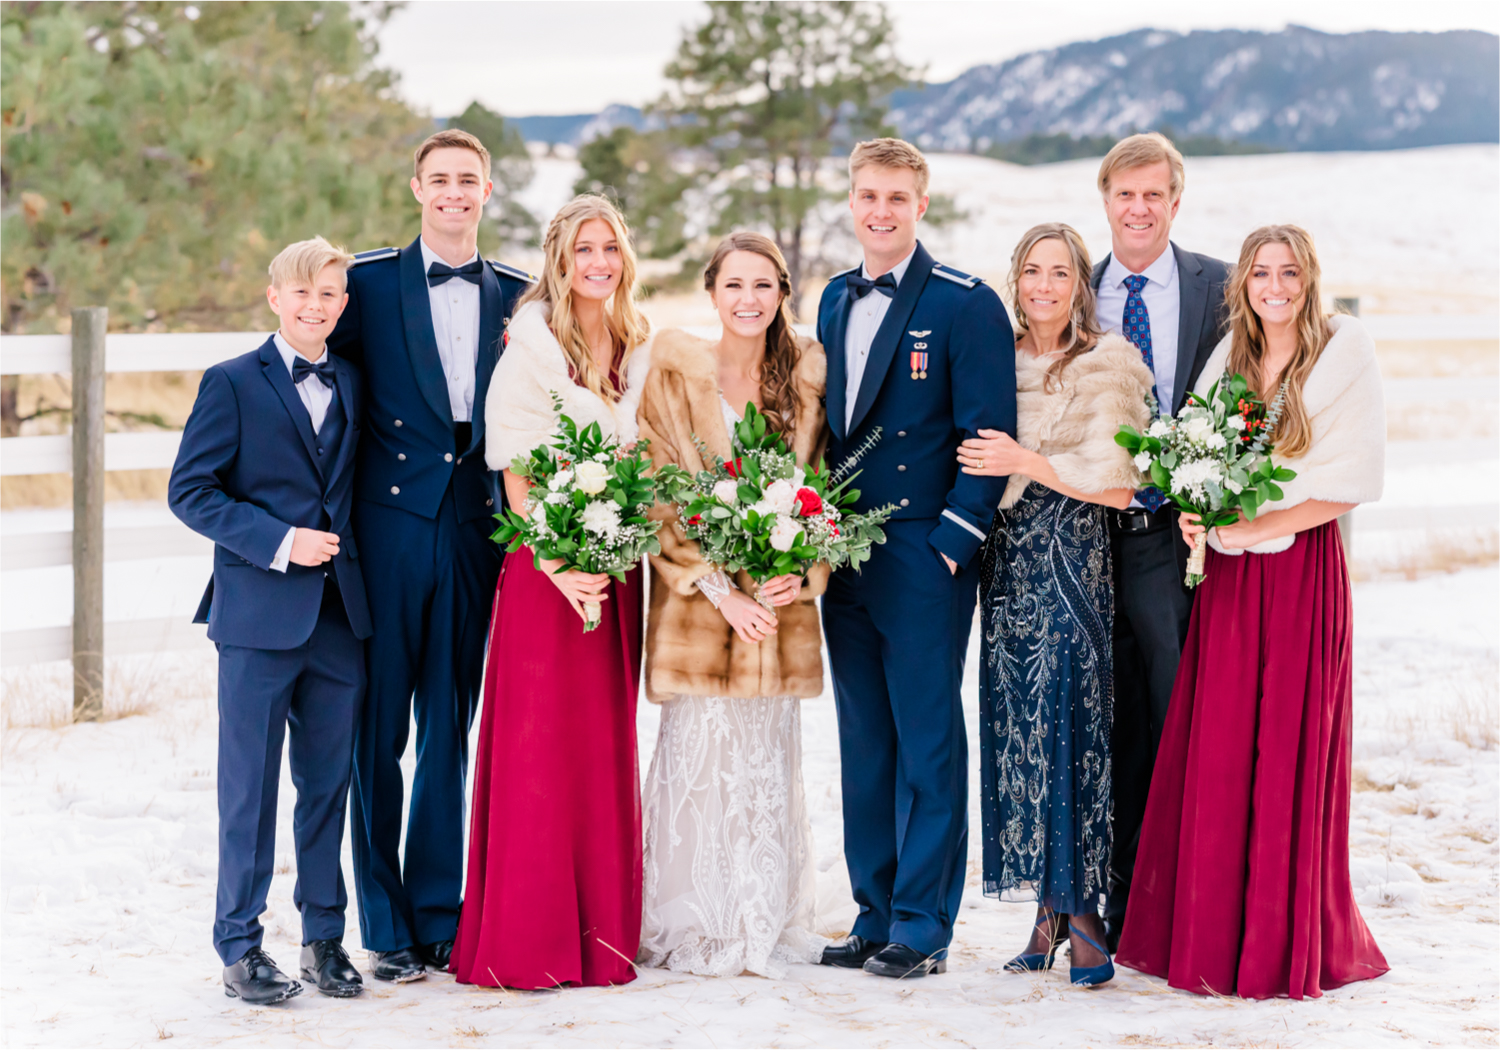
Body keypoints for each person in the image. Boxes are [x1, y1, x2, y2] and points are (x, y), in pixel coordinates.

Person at [1118, 224, 1390, 999]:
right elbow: (1189, 462)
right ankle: (1213, 932)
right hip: (1231, 583)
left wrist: (1254, 528)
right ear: (1243, 282)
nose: (1275, 286)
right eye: (1262, 273)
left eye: (1290, 273)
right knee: (1224, 743)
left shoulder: (1343, 350)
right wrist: (1200, 517)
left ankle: (1279, 937)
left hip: (1300, 572)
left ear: (1309, 279)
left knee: (1286, 746)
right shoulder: (1232, 355)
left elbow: (1352, 478)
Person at [326, 129, 534, 982]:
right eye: (439, 179)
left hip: (473, 529)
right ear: (416, 187)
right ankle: (383, 923)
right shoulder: (367, 282)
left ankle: (441, 912)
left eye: (468, 181)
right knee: (376, 732)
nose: (453, 192)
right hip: (383, 531)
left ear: (488, 192)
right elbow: (323, 391)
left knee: (451, 724)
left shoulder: (524, 297)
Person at [816, 138, 1016, 979]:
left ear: (921, 204)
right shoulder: (831, 297)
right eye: (868, 196)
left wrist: (952, 546)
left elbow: (989, 435)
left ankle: (924, 923)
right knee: (865, 740)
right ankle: (873, 909)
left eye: (897, 197)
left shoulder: (967, 304)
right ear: (852, 202)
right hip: (842, 553)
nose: (881, 211)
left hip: (923, 554)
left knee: (928, 738)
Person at [451, 195, 652, 990]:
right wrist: (560, 563)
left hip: (616, 568)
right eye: (581, 250)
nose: (597, 262)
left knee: (600, 747)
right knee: (537, 751)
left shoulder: (638, 345)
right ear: (558, 260)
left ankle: (600, 939)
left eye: (608, 248)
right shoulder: (529, 346)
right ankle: (527, 941)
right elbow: (516, 472)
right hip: (547, 571)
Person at [169, 238, 373, 1003]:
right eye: (302, 294)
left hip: (337, 619)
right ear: (273, 298)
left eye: (329, 296)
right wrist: (282, 542)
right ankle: (240, 947)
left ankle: (325, 938)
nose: (315, 307)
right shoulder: (231, 384)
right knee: (247, 791)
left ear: (342, 306)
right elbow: (191, 492)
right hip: (257, 615)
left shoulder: (351, 379)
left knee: (327, 787)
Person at [958, 224, 1154, 986]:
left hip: (1072, 560)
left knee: (1072, 723)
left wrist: (1027, 461)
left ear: (1081, 285)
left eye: (1060, 273)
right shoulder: (992, 358)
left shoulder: (1110, 363)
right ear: (1016, 278)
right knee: (1021, 729)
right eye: (1032, 271)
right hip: (1004, 566)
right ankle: (1045, 910)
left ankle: (1085, 915)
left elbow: (1118, 485)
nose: (1044, 286)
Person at [635, 232, 829, 978]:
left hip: (776, 615)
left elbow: (822, 495)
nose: (749, 300)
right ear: (712, 292)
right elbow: (656, 493)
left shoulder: (807, 383)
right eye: (734, 286)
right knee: (704, 760)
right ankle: (694, 918)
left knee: (764, 765)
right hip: (700, 610)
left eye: (764, 286)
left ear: (783, 293)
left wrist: (799, 575)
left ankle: (761, 914)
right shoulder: (675, 376)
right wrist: (718, 591)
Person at [1087, 133, 1231, 951]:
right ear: (1105, 200)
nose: (1138, 209)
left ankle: (1182, 898)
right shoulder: (1078, 287)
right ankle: (1111, 901)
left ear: (1177, 202)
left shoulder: (1218, 286)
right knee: (1107, 722)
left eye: (1154, 195)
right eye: (1124, 195)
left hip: (1175, 540)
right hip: (1085, 533)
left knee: (1179, 713)